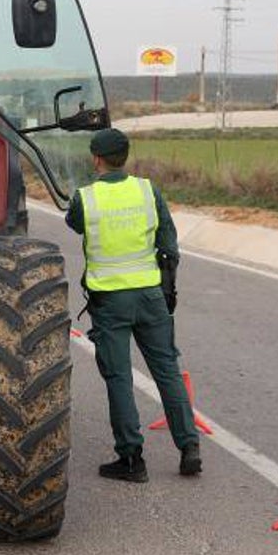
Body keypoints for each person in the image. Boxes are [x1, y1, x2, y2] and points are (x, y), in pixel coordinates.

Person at [65, 128, 201, 482]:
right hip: (151, 295)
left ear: (96, 159)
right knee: (168, 371)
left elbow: (74, 223)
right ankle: (189, 448)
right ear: (125, 156)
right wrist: (166, 287)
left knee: (119, 378)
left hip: (111, 300)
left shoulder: (86, 198)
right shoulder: (147, 190)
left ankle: (131, 459)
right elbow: (169, 243)